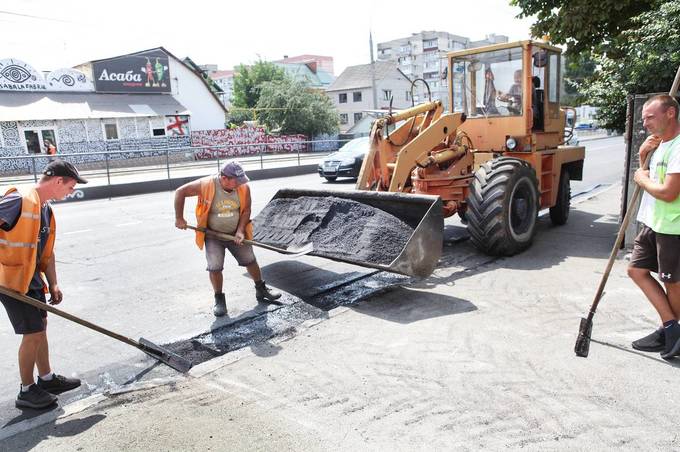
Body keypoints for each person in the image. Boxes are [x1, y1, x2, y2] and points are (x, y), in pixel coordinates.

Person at [0, 159, 88, 409]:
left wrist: (54, 283)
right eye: (70, 187)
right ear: (58, 181)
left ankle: (46, 378)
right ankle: (26, 391)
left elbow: (46, 252)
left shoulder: (45, 208)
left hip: (32, 280)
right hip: (12, 281)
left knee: (40, 329)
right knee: (33, 333)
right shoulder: (19, 200)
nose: (71, 192)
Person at [174, 161, 281, 317]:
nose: (240, 183)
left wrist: (240, 231)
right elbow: (180, 192)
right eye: (236, 181)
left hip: (235, 234)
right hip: (212, 235)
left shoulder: (243, 187)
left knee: (250, 260)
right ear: (224, 178)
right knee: (215, 267)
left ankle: (261, 290)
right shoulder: (206, 185)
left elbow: (246, 211)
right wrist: (179, 218)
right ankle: (219, 299)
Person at [628, 94, 680, 359]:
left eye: (650, 117)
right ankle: (671, 327)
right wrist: (642, 157)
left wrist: (641, 178)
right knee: (636, 270)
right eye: (643, 118)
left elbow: (669, 192)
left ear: (670, 113)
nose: (645, 123)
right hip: (652, 221)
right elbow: (650, 177)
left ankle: (671, 331)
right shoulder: (659, 145)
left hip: (673, 226)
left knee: (673, 284)